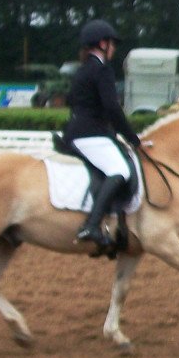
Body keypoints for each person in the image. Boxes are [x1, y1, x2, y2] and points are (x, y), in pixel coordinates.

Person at [63, 19, 141, 247]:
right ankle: (91, 225)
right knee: (120, 170)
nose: (114, 49)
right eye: (112, 44)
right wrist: (133, 139)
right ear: (102, 44)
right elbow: (112, 108)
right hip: (91, 135)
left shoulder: (82, 70)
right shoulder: (101, 69)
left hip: (78, 132)